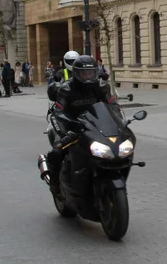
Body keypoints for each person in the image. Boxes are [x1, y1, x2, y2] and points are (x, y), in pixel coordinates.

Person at [42, 55, 115, 193]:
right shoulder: (67, 88)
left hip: (94, 126)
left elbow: (113, 106)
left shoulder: (101, 86)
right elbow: (58, 113)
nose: (88, 76)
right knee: (57, 152)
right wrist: (68, 129)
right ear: (76, 73)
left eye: (91, 73)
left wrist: (119, 122)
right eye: (84, 73)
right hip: (70, 126)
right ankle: (55, 185)